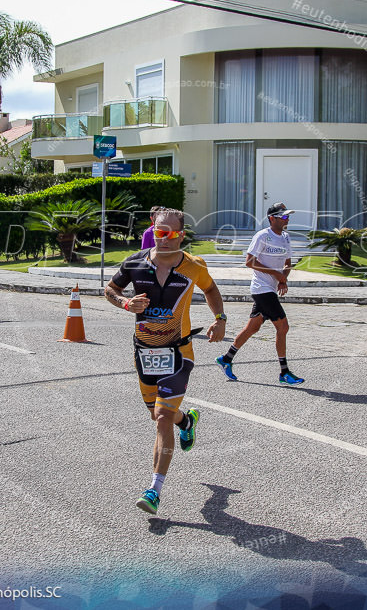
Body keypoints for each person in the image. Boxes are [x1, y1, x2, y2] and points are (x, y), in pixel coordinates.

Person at [105, 207, 227, 515]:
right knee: (158, 416)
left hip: (179, 352)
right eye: (161, 232)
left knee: (161, 416)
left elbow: (211, 289)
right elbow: (110, 289)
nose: (166, 239)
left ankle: (154, 490)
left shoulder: (193, 266)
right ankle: (187, 421)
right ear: (153, 230)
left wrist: (220, 318)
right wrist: (125, 303)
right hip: (144, 352)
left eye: (173, 234)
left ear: (181, 235)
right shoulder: (134, 263)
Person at [215, 202, 304, 385]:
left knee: (252, 328)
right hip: (261, 289)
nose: (287, 219)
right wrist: (276, 274)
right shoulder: (262, 236)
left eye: (288, 216)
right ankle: (284, 373)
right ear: (272, 218)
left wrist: (283, 278)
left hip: (271, 288)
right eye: (284, 216)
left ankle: (226, 359)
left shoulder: (286, 237)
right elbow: (250, 262)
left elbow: (288, 262)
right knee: (283, 327)